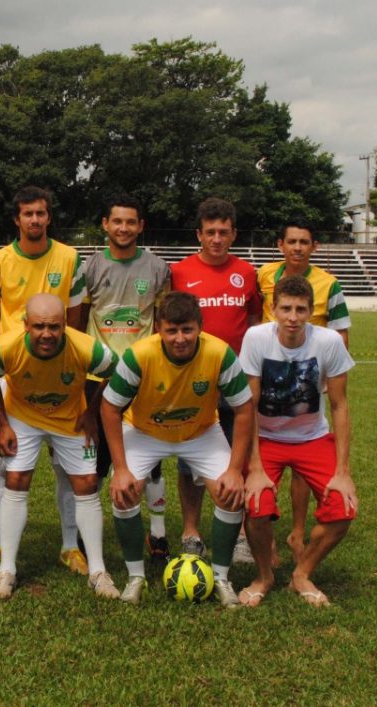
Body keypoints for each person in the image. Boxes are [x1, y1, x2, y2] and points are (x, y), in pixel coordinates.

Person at [101, 292, 255, 606]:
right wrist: (120, 469)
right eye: (171, 330)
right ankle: (136, 577)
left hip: (200, 432)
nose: (180, 338)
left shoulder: (220, 354)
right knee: (125, 491)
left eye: (187, 329)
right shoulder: (139, 355)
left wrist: (235, 470)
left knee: (229, 493)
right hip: (145, 431)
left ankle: (221, 578)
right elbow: (109, 408)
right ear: (158, 328)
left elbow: (244, 409)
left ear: (200, 327)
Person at [0, 294, 119, 600]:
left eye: (54, 327)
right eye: (39, 326)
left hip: (70, 418)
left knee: (87, 483)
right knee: (16, 480)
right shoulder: (4, 347)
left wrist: (92, 413)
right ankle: (7, 569)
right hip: (23, 417)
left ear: (65, 325)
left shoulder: (87, 348)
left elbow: (114, 373)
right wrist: (3, 423)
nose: (47, 334)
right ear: (25, 325)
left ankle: (98, 571)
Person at [0, 185, 87, 574]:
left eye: (41, 213)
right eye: (28, 214)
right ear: (17, 219)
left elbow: (75, 320)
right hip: (15, 373)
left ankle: (70, 545)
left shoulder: (71, 258)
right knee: (5, 465)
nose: (35, 220)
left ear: (49, 217)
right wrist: (13, 359)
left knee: (66, 464)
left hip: (62, 371)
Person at [237, 275, 356, 608]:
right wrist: (256, 466)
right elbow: (249, 404)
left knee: (343, 509)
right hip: (267, 438)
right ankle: (264, 576)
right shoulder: (256, 338)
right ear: (272, 309)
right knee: (256, 505)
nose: (292, 317)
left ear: (310, 311)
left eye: (300, 310)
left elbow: (340, 405)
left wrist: (343, 470)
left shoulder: (329, 341)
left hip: (311, 438)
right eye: (286, 308)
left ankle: (301, 574)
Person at [79, 194, 171, 561]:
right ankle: (89, 535)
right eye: (117, 221)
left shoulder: (158, 269)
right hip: (97, 375)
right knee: (96, 460)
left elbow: (164, 320)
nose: (123, 228)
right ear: (105, 224)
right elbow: (78, 319)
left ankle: (159, 533)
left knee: (151, 459)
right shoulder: (89, 267)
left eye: (131, 222)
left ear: (141, 226)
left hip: (143, 374)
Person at [168, 197, 261, 561]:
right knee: (190, 458)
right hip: (193, 380)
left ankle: (239, 533)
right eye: (210, 232)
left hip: (235, 381)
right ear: (199, 234)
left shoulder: (248, 273)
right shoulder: (179, 272)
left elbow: (253, 323)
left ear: (234, 234)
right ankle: (191, 530)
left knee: (238, 457)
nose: (217, 239)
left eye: (224, 232)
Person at [256, 220, 352, 561]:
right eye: (292, 241)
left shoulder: (329, 283)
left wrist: (326, 376)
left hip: (312, 374)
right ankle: (267, 533)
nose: (298, 247)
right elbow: (258, 320)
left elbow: (340, 331)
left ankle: (297, 530)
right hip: (274, 370)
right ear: (281, 245)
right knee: (279, 449)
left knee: (303, 453)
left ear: (315, 247)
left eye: (305, 242)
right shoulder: (265, 276)